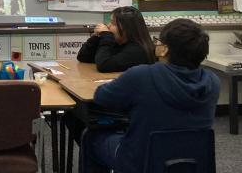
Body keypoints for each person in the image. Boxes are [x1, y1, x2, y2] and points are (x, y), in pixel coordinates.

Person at [81, 18, 220, 173]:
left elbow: (102, 97)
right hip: (194, 161)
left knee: (91, 137)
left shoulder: (142, 75)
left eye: (158, 41)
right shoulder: (212, 81)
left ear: (164, 49)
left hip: (141, 161)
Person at [77, 6, 156, 72]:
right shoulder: (117, 43)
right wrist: (96, 36)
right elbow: (83, 57)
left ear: (128, 29)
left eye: (113, 23)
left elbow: (104, 66)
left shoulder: (137, 50)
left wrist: (106, 36)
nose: (108, 26)